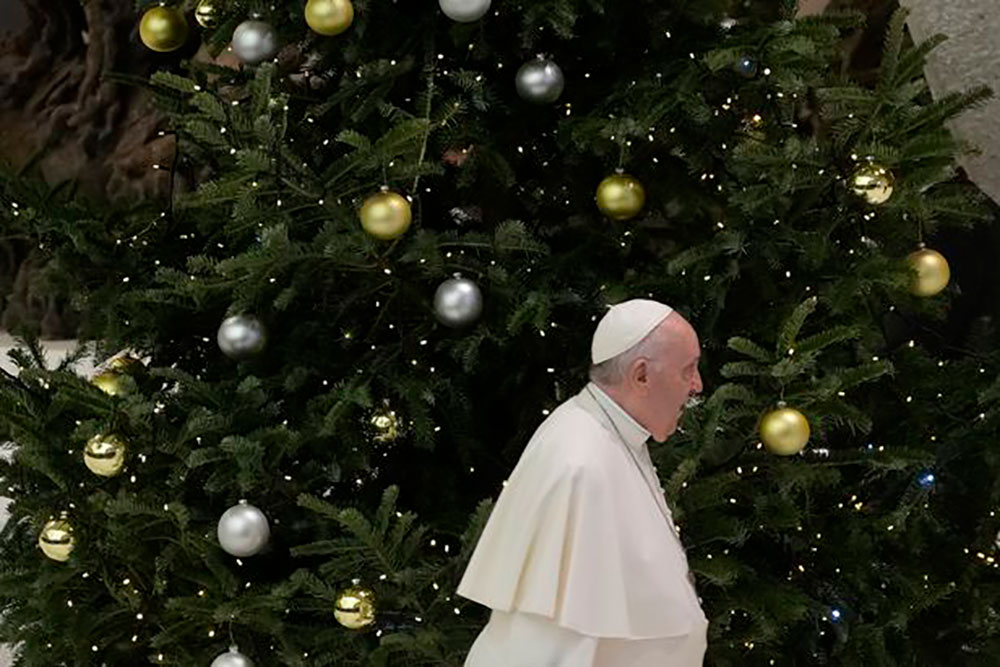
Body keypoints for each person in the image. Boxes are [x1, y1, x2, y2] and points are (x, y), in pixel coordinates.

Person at [458, 299, 708, 666]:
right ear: (641, 376)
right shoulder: (580, 462)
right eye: (688, 370)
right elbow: (548, 646)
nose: (697, 385)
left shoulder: (612, 433)